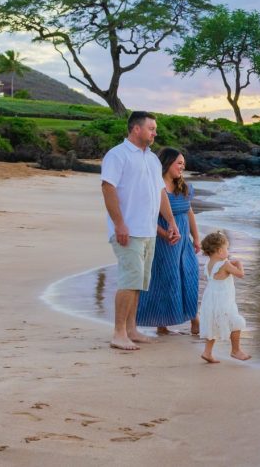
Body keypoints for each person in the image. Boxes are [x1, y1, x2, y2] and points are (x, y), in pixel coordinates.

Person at [100, 111, 180, 351]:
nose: (155, 133)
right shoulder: (118, 155)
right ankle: (118, 333)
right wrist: (119, 223)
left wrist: (172, 222)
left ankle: (132, 329)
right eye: (151, 128)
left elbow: (160, 193)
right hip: (128, 230)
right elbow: (108, 188)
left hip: (148, 231)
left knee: (139, 283)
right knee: (129, 280)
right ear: (136, 129)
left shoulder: (153, 159)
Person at [136, 147, 202, 336]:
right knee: (166, 280)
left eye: (184, 164)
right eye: (179, 163)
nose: (182, 167)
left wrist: (196, 238)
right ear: (167, 163)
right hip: (162, 241)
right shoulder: (155, 187)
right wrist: (165, 233)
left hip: (183, 241)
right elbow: (148, 216)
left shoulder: (184, 187)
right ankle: (161, 324)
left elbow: (189, 212)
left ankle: (193, 318)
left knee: (189, 277)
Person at [198, 231, 250, 363]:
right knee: (236, 322)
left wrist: (228, 262)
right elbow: (240, 274)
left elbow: (220, 269)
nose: (228, 251)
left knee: (212, 324)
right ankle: (235, 351)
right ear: (219, 251)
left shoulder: (209, 264)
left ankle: (207, 352)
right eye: (227, 248)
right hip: (224, 301)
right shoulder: (225, 264)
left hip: (210, 300)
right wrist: (239, 263)